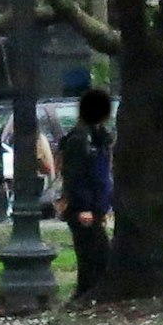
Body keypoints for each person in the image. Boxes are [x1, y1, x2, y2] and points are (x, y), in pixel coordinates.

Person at [55, 87, 114, 299]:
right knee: (92, 253)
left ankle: (88, 293)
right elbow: (76, 176)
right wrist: (84, 206)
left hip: (95, 204)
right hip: (84, 207)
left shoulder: (96, 137)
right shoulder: (80, 139)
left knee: (96, 253)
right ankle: (86, 294)